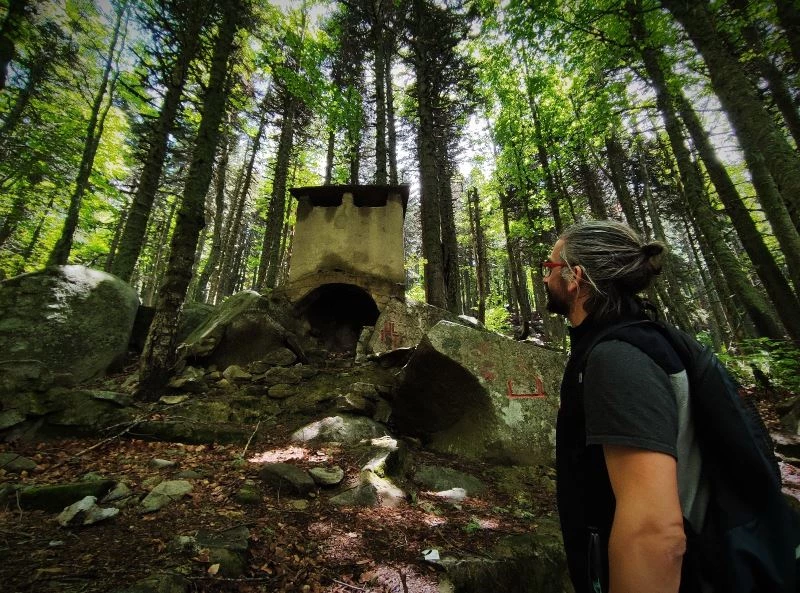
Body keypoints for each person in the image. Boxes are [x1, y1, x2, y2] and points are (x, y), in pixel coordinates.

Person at [546, 220, 709, 593]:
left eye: (550, 267)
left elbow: (654, 530)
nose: (544, 277)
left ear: (575, 277)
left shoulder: (618, 359)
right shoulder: (630, 341)